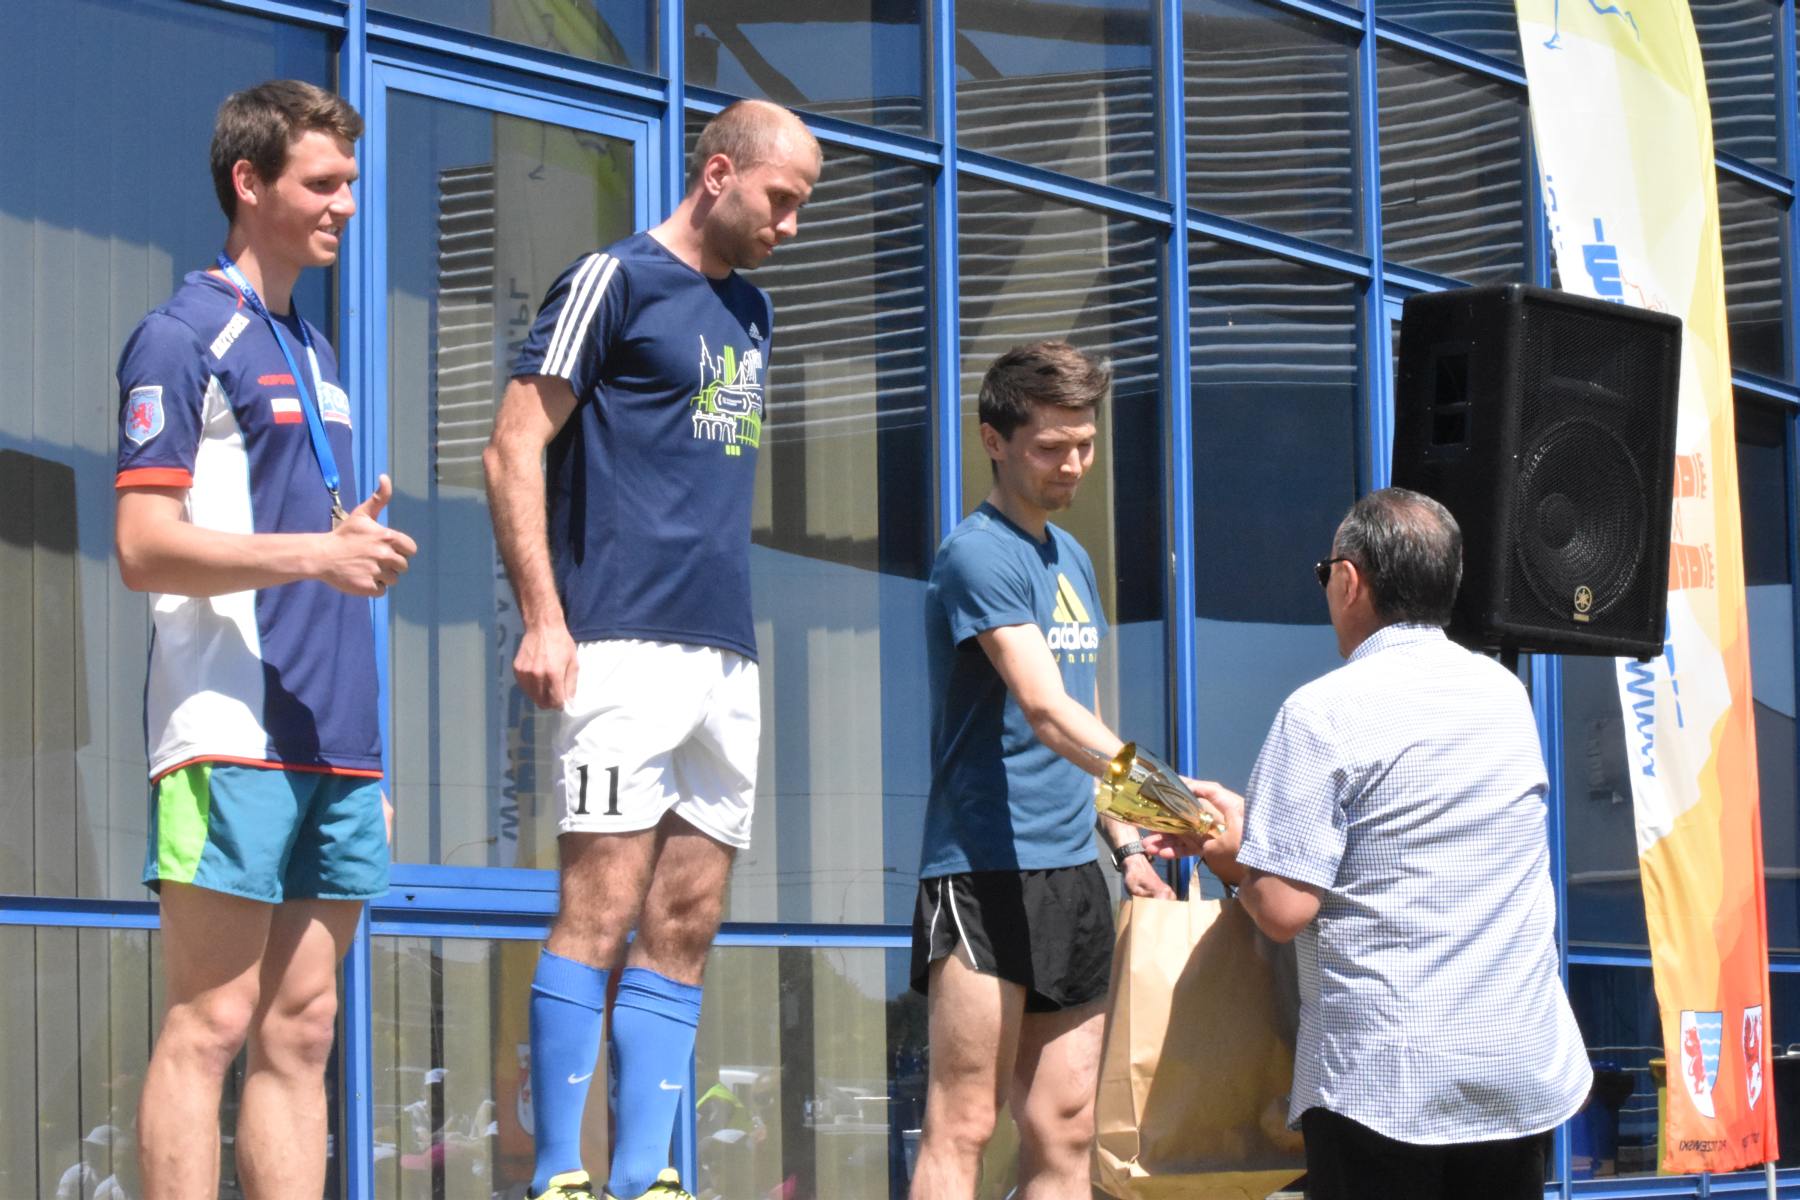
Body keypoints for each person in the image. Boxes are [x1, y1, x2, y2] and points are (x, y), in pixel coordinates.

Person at [484, 99, 822, 1200]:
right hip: (619, 640)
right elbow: (512, 446)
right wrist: (544, 617)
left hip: (727, 656)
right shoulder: (612, 280)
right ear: (717, 173)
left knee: (687, 918)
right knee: (600, 906)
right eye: (780, 200)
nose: (790, 226)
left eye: (802, 207)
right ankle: (561, 1174)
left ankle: (646, 1179)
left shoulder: (754, 313)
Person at [114, 80, 416, 1200]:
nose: (347, 205)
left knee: (304, 1030)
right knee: (212, 1022)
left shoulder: (316, 349)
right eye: (323, 183)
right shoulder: (182, 335)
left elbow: (312, 545)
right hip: (228, 728)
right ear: (249, 182)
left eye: (351, 183)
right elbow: (143, 545)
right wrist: (315, 554)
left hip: (336, 742)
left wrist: (366, 756)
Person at [1146, 487, 1591, 1200]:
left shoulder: (1321, 713)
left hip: (1389, 1083)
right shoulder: (1505, 697)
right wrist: (1261, 834)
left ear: (1349, 580)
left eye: (1326, 574)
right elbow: (1415, 841)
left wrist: (1227, 843)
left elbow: (1282, 907)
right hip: (1515, 1066)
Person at [908, 341, 1176, 1200]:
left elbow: (1085, 723)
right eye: (1051, 447)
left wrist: (1128, 843)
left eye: (1086, 444)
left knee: (1066, 1127)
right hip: (984, 869)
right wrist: (1176, 805)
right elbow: (1046, 710)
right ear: (994, 441)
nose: (1074, 465)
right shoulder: (978, 554)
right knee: (965, 1124)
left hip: (1071, 874)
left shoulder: (1073, 559)